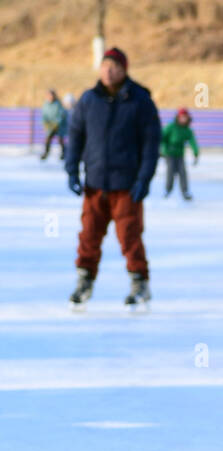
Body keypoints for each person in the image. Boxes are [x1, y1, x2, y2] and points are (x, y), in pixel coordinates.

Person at [64, 47, 161, 308]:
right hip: (95, 182)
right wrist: (71, 169)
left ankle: (139, 282)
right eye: (105, 66)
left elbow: (151, 144)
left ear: (124, 70)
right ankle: (84, 281)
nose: (109, 71)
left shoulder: (140, 100)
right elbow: (75, 136)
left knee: (129, 235)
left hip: (126, 184)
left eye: (114, 67)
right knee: (88, 235)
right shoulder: (88, 100)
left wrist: (144, 179)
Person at [161, 107, 199, 200]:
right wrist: (163, 149)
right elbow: (162, 138)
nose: (183, 119)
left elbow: (192, 141)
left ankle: (185, 191)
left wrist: (195, 152)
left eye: (185, 117)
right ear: (178, 117)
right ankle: (167, 190)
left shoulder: (187, 130)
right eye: (181, 117)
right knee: (170, 171)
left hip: (180, 154)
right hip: (169, 153)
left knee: (182, 172)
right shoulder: (171, 127)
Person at [40, 89, 68, 162]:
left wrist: (56, 123)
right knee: (48, 138)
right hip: (50, 126)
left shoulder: (58, 104)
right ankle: (46, 153)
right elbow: (44, 115)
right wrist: (45, 123)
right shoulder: (45, 104)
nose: (50, 97)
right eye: (49, 95)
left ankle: (63, 153)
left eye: (51, 95)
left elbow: (61, 114)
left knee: (60, 139)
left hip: (59, 125)